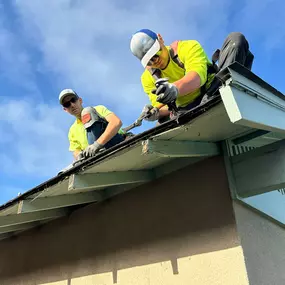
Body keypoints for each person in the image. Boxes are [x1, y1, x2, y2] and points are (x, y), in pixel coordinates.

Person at [130, 29, 254, 122]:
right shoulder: (147, 78)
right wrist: (156, 113)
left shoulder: (188, 47)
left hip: (212, 91)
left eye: (155, 54)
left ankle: (234, 91)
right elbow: (166, 108)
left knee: (236, 39)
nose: (155, 61)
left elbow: (197, 77)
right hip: (184, 111)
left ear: (160, 39)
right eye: (149, 61)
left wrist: (175, 89)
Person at [59, 89, 125, 160]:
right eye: (67, 104)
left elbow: (116, 122)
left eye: (73, 100)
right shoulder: (72, 131)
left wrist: (97, 145)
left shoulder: (98, 109)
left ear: (80, 100)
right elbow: (76, 150)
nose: (72, 105)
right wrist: (79, 155)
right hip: (95, 157)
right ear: (65, 110)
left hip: (115, 144)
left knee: (87, 111)